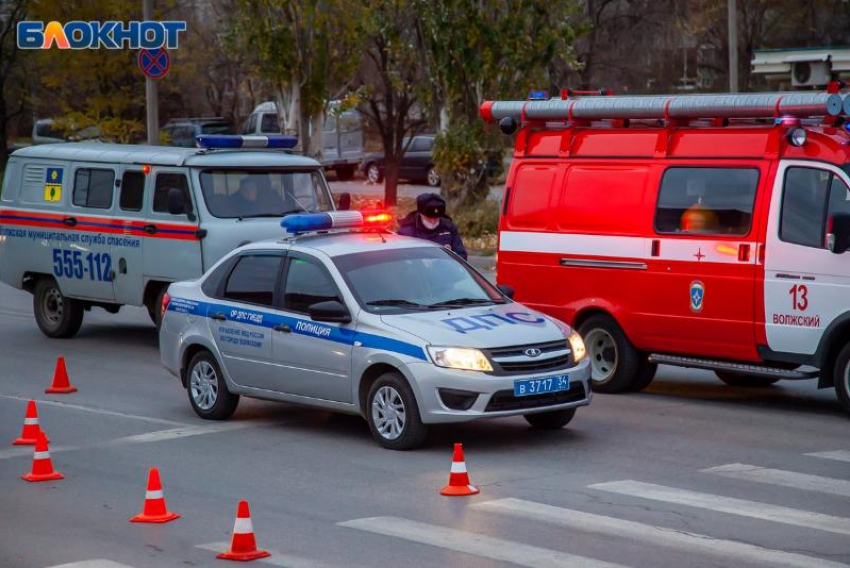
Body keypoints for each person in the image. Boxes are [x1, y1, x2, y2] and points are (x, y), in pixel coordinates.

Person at [398, 193, 467, 259]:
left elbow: (461, 255)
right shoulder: (406, 233)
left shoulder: (449, 227)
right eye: (428, 218)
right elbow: (401, 259)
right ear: (420, 214)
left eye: (436, 218)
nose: (433, 221)